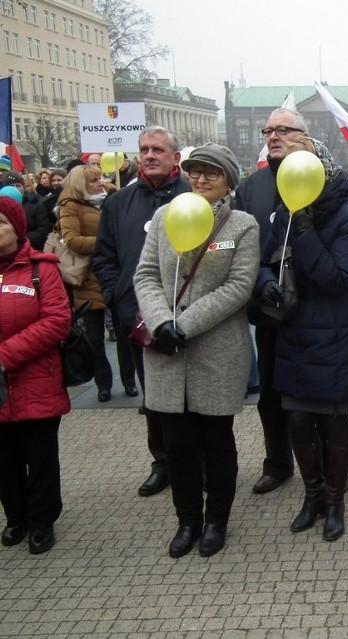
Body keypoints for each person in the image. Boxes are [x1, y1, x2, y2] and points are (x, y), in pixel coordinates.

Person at [134, 144, 259, 558]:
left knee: (217, 442)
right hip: (165, 353)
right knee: (177, 446)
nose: (201, 179)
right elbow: (146, 274)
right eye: (195, 171)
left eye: (212, 173)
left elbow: (238, 287)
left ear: (228, 180)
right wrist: (159, 322)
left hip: (216, 352)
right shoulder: (163, 218)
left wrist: (183, 325)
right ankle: (187, 520)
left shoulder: (241, 225)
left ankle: (216, 522)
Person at [255, 133, 348, 542]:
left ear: (320, 166)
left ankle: (336, 501)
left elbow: (338, 278)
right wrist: (266, 282)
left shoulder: (346, 214)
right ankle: (313, 495)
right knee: (299, 418)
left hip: (337, 329)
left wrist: (303, 229)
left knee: (334, 420)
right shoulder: (286, 210)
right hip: (296, 329)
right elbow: (267, 259)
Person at [92, 126, 192, 498]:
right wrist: (117, 295)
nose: (149, 155)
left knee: (191, 397)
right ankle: (163, 463)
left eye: (158, 150)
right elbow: (104, 257)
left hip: (187, 317)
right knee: (154, 398)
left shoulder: (194, 197)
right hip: (136, 317)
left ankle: (195, 462)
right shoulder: (119, 203)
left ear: (175, 158)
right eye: (144, 149)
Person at [235, 108, 307, 495]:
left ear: (303, 135)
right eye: (269, 130)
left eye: (283, 129)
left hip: (313, 310)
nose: (274, 136)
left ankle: (327, 467)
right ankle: (277, 463)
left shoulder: (324, 179)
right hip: (270, 307)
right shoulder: (253, 187)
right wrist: (262, 280)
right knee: (271, 395)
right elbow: (247, 249)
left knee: (314, 395)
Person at [0, 197, 71, 555]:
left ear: (17, 228)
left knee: (40, 457)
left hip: (36, 380)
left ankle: (42, 520)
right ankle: (16, 517)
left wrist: (5, 355)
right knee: (5, 460)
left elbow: (57, 321)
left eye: (1, 223)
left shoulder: (41, 269)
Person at [57, 165, 124, 402]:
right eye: (94, 180)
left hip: (115, 271)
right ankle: (103, 384)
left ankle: (130, 382)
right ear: (80, 185)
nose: (100, 183)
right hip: (87, 276)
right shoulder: (70, 206)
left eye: (101, 178)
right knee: (95, 338)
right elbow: (72, 240)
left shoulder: (113, 199)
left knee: (126, 333)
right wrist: (107, 241)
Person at [2, 171, 51, 250]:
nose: (15, 189)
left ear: (23, 187)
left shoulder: (35, 203)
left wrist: (22, 240)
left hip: (30, 250)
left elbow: (43, 229)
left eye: (18, 185)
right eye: (11, 186)